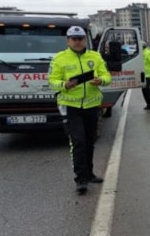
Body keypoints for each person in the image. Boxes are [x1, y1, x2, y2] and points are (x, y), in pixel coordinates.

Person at [48, 26, 112, 194]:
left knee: (90, 141)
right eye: (74, 39)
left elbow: (107, 76)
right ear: (68, 41)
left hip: (92, 106)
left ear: (85, 40)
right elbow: (52, 80)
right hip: (71, 107)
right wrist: (64, 85)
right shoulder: (59, 59)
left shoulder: (95, 56)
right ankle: (81, 179)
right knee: (78, 142)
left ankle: (89, 173)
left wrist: (101, 81)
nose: (77, 42)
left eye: (80, 38)